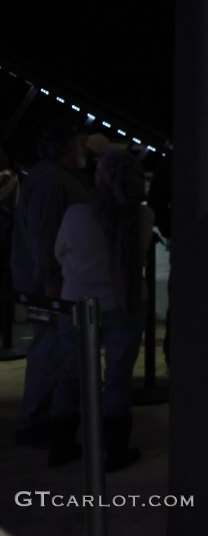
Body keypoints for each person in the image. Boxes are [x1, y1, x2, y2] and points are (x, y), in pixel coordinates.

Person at [49, 150, 154, 470]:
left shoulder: (77, 215)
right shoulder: (143, 216)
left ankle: (62, 445)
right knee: (118, 378)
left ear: (101, 179)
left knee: (72, 374)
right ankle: (115, 449)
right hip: (125, 303)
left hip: (78, 305)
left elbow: (59, 254)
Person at [10, 116, 90, 447]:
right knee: (49, 348)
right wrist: (51, 284)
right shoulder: (51, 180)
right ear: (68, 146)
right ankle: (36, 421)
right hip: (48, 288)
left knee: (51, 347)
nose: (85, 148)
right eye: (81, 142)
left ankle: (42, 418)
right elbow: (44, 237)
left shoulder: (49, 177)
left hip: (49, 284)